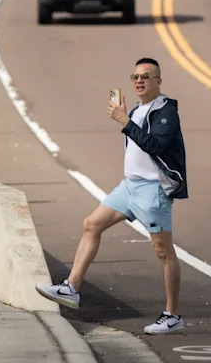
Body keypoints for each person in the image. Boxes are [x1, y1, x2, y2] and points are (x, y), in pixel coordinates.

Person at [36, 58, 188, 335]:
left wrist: (125, 122)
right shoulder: (137, 109)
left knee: (164, 252)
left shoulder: (166, 111)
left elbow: (156, 145)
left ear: (158, 82)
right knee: (91, 224)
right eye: (135, 76)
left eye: (146, 76)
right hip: (128, 188)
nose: (139, 81)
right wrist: (128, 119)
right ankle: (72, 288)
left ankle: (172, 315)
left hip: (153, 191)